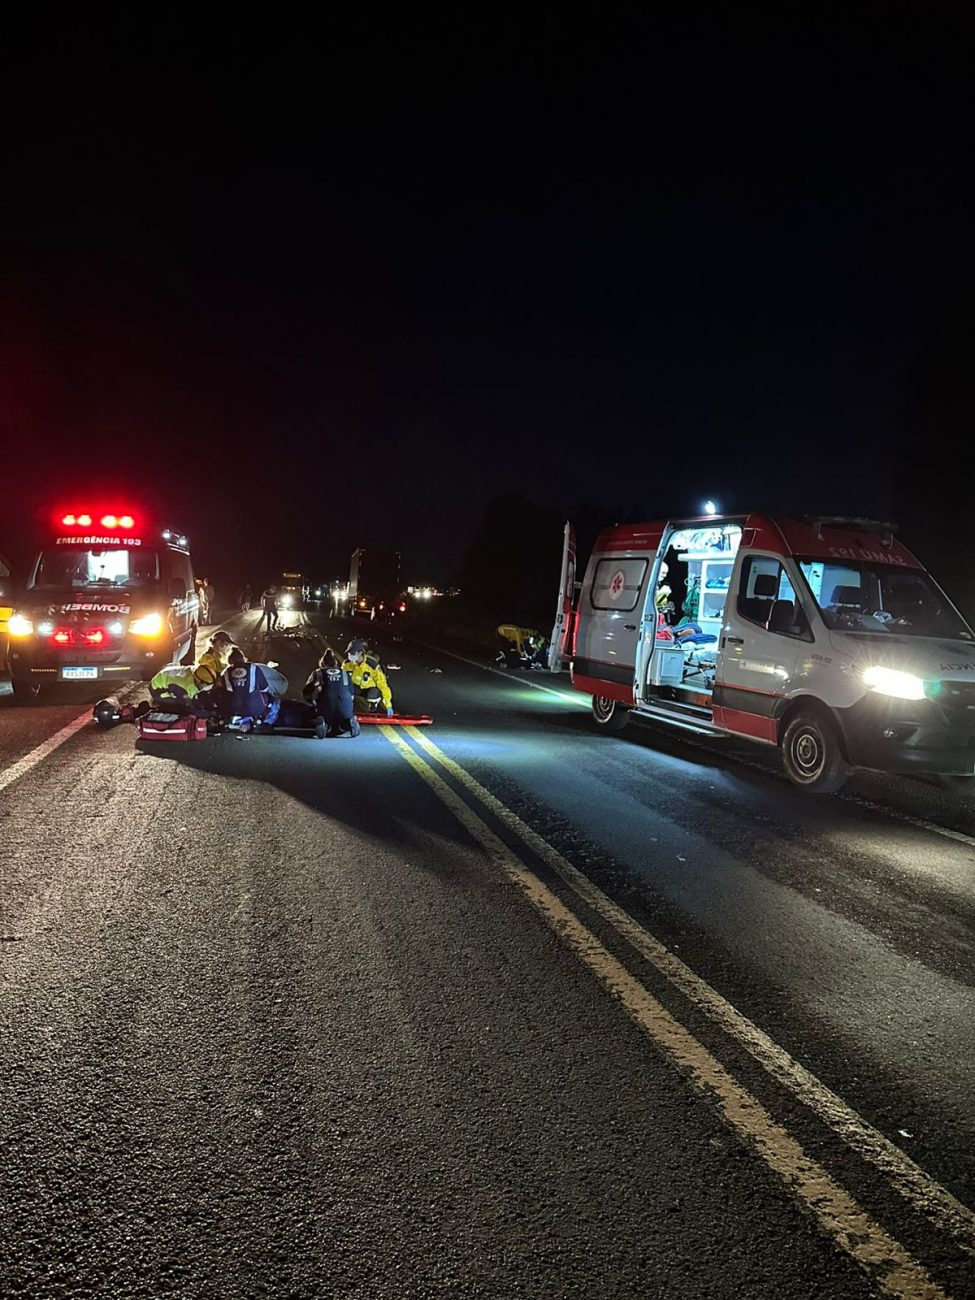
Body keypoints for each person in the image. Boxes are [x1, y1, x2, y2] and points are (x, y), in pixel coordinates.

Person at [303, 647, 360, 738]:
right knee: (341, 729)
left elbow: (306, 692)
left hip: (326, 706)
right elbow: (352, 695)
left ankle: (324, 724)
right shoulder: (345, 673)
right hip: (345, 708)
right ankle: (348, 723)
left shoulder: (318, 672)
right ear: (335, 663)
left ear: (322, 663)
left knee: (327, 726)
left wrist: (312, 701)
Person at [220, 647, 271, 733]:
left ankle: (229, 719)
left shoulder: (226, 672)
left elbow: (224, 691)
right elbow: (265, 687)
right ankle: (260, 718)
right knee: (267, 696)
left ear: (229, 660)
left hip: (233, 708)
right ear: (243, 658)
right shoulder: (254, 668)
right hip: (254, 708)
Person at [343, 638, 393, 715]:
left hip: (369, 689)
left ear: (360, 653)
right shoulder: (347, 664)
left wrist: (388, 704)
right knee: (344, 690)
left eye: (353, 653)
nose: (350, 655)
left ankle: (373, 703)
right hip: (355, 688)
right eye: (349, 653)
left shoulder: (373, 665)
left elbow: (383, 685)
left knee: (373, 693)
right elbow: (342, 681)